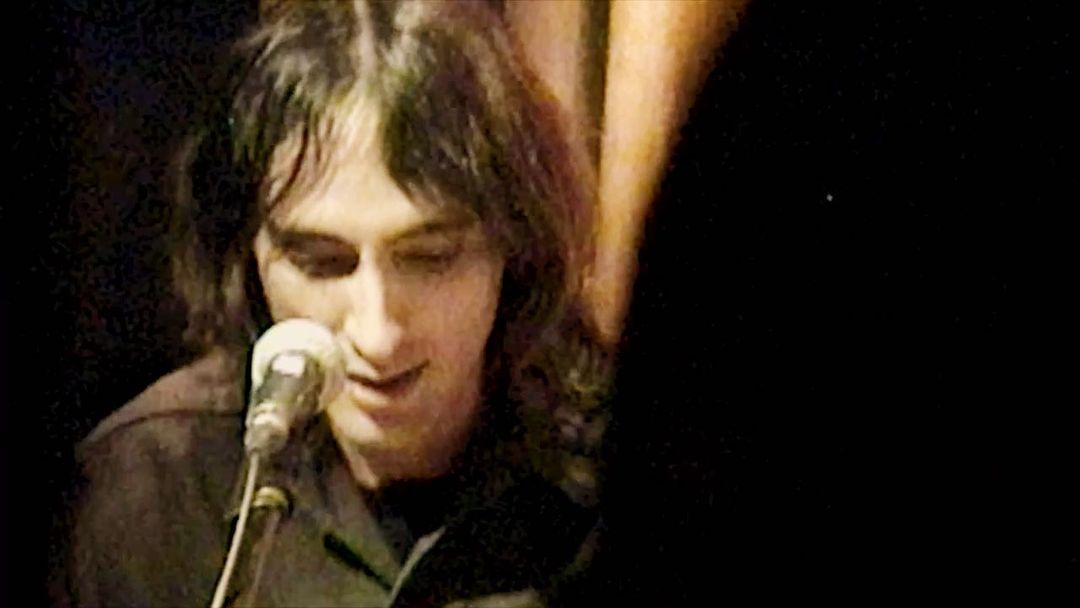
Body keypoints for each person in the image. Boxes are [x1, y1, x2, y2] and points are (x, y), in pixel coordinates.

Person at [50, 1, 609, 606]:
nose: (377, 334)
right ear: (245, 254)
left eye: (431, 257)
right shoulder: (144, 489)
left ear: (518, 248)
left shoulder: (623, 473)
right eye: (320, 262)